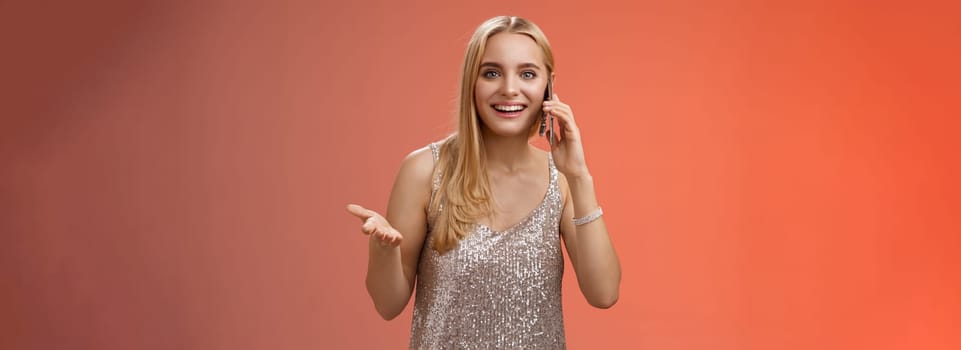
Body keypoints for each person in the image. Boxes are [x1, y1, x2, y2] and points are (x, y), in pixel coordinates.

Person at [346, 15, 621, 349]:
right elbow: (388, 305)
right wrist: (382, 251)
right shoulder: (424, 171)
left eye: (527, 74)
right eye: (491, 73)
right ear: (471, 83)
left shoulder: (561, 180)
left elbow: (604, 293)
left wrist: (579, 176)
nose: (509, 88)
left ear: (548, 86)